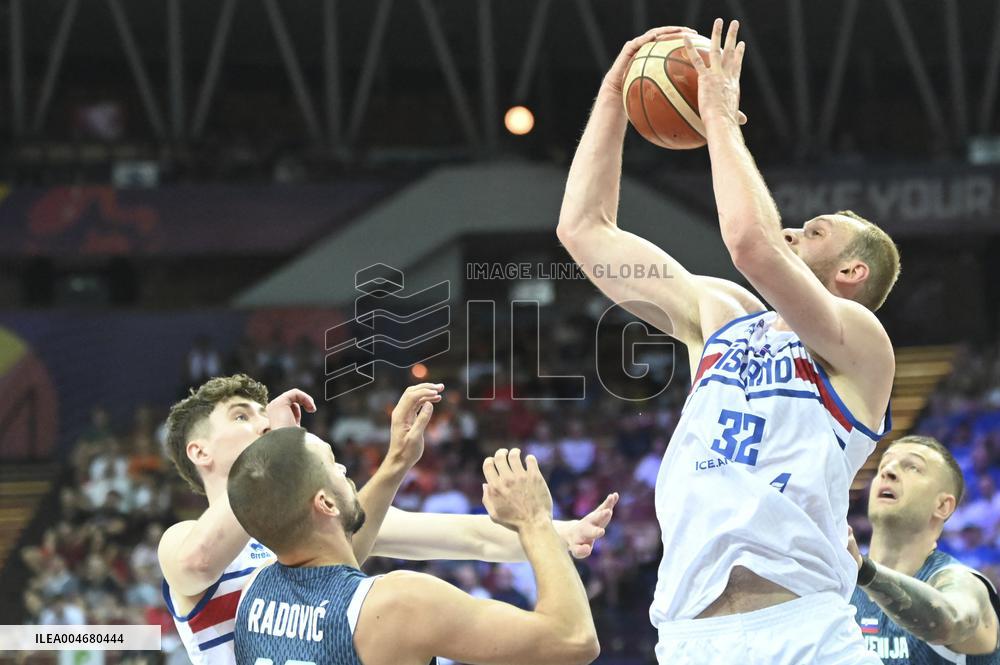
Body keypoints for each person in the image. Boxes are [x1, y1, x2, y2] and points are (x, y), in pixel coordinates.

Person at [557, 19, 899, 664]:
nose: (793, 232)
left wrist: (718, 115)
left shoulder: (859, 341)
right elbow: (584, 229)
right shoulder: (720, 315)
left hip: (807, 633)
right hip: (692, 638)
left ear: (852, 273)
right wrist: (611, 102)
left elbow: (752, 244)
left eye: (815, 233)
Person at [158, 374, 616, 664]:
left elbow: (470, 537)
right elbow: (200, 561)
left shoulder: (299, 546)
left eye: (263, 415)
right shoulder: (183, 542)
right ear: (199, 452)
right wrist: (280, 442)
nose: (262, 424)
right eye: (243, 416)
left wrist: (559, 532)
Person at [229, 431, 599, 665]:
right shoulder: (399, 603)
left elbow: (335, 564)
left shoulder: (251, 594)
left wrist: (397, 461)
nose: (345, 469)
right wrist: (534, 520)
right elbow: (573, 641)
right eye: (333, 465)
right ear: (325, 504)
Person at [848, 435, 1000, 663]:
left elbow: (952, 620)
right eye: (883, 464)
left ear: (942, 505)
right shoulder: (843, 581)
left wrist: (865, 571)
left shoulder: (961, 582)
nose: (887, 472)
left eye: (912, 467)